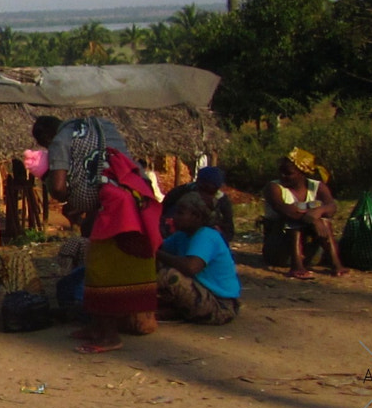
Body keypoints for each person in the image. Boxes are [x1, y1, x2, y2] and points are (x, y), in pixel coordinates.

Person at [31, 114, 160, 354]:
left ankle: (109, 336)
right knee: (107, 264)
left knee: (103, 269)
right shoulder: (99, 129)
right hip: (134, 195)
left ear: (46, 137)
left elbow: (59, 188)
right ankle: (97, 326)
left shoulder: (61, 140)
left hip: (117, 208)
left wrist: (47, 176)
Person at [156, 194, 241, 326]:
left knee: (169, 276)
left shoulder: (206, 235)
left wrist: (157, 254)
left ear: (196, 216)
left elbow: (191, 267)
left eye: (180, 213)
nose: (174, 218)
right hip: (204, 294)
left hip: (220, 304)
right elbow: (160, 247)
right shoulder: (182, 235)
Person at [263, 148, 345, 279]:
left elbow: (332, 207)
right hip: (279, 251)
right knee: (293, 221)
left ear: (302, 173)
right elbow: (286, 210)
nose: (282, 176)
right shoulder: (274, 188)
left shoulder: (317, 186)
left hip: (311, 254)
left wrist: (318, 212)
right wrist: (313, 218)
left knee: (323, 220)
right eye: (281, 172)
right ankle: (296, 266)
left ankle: (336, 264)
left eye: (288, 173)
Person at [160, 166, 235, 241]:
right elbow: (162, 213)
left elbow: (229, 232)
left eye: (211, 191)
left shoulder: (222, 201)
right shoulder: (179, 193)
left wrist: (217, 234)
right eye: (203, 189)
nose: (205, 195)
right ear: (198, 183)